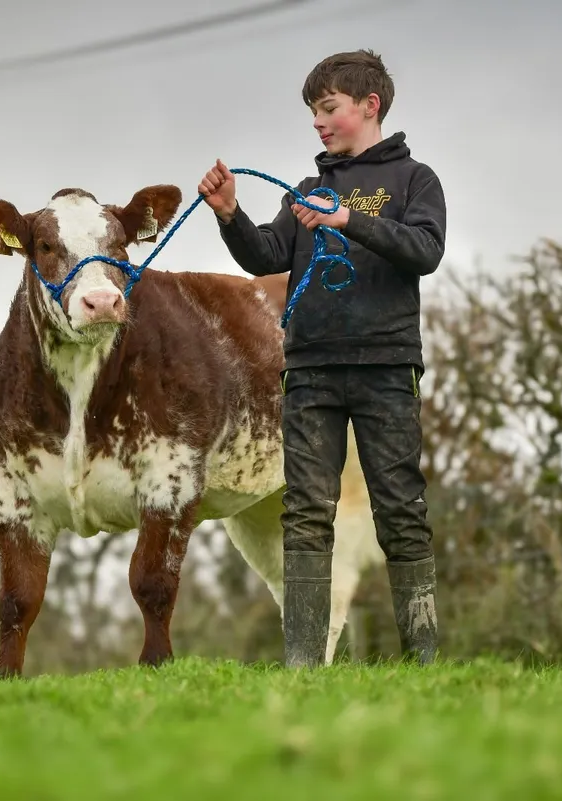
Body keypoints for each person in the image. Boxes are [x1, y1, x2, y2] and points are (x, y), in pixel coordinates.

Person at [197, 49, 445, 667]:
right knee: (306, 511)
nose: (318, 122)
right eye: (313, 111)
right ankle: (304, 665)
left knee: (401, 510)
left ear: (369, 106)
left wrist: (347, 221)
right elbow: (265, 254)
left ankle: (424, 661)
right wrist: (230, 214)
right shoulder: (307, 190)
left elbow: (424, 250)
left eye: (328, 108)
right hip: (309, 371)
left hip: (387, 370)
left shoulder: (416, 182)